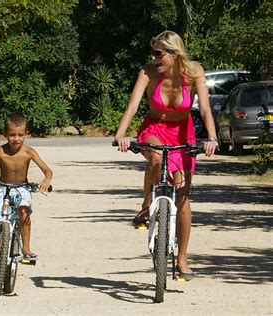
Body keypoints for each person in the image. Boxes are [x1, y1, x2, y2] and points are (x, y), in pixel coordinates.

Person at [114, 31, 217, 280]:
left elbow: (204, 108)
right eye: (153, 53)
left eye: (159, 53)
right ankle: (146, 205)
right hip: (154, 129)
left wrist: (212, 138)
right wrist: (121, 134)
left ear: (174, 53)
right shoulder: (148, 73)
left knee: (183, 194)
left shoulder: (194, 73)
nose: (154, 57)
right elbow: (133, 105)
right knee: (157, 157)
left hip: (183, 134)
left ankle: (182, 259)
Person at [0, 112, 53, 268]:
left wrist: (46, 181)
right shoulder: (0, 151)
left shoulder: (29, 152)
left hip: (22, 189)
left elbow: (48, 170)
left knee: (24, 211)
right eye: (12, 135)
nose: (16, 139)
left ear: (26, 134)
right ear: (5, 134)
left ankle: (26, 249)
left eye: (20, 135)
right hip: (3, 189)